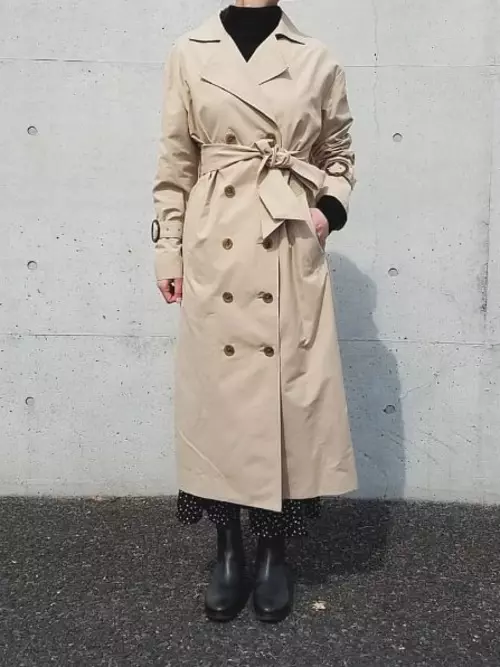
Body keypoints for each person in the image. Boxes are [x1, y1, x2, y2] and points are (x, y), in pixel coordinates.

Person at [152, 0, 358, 623]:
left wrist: (327, 212)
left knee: (284, 401)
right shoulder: (190, 51)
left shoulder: (315, 57)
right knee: (219, 401)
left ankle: (272, 553)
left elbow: (340, 152)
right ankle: (228, 550)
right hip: (214, 244)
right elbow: (175, 161)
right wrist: (167, 247)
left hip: (285, 243)